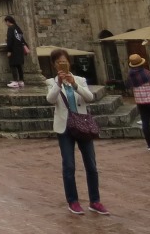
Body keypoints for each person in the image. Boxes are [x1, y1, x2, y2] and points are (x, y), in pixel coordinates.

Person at [45, 48, 109, 215]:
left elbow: (89, 97)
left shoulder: (80, 80)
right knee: (69, 165)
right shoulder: (51, 82)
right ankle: (73, 201)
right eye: (59, 62)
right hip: (64, 127)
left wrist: (74, 84)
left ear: (69, 63)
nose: (62, 64)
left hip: (82, 125)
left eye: (64, 62)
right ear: (54, 65)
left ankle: (95, 201)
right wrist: (59, 83)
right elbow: (50, 99)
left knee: (91, 165)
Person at [127, 53, 150, 151]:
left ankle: (149, 145)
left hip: (140, 101)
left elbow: (130, 86)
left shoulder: (130, 75)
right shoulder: (146, 73)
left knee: (145, 122)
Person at [4, 15, 27, 88]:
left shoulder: (10, 28)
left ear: (8, 21)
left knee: (13, 65)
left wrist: (9, 50)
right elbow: (22, 39)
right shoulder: (18, 28)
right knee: (19, 66)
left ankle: (15, 81)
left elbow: (10, 40)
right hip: (20, 49)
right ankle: (21, 81)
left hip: (14, 50)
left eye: (6, 22)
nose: (6, 24)